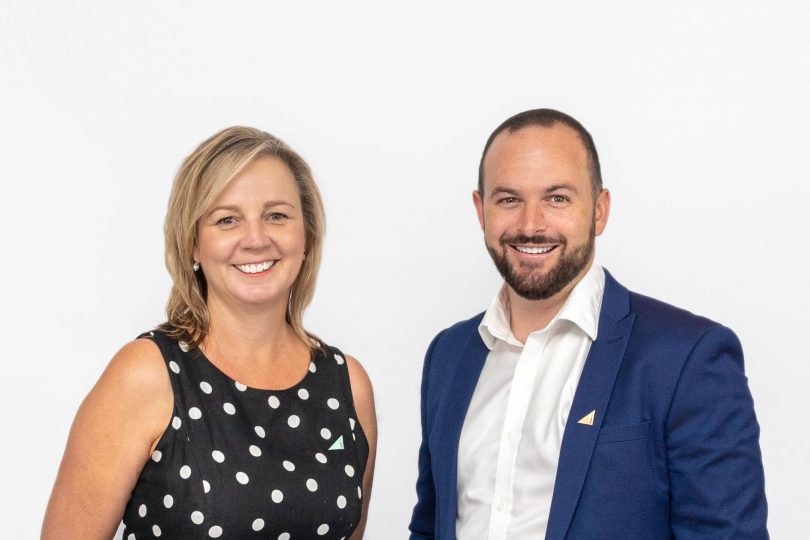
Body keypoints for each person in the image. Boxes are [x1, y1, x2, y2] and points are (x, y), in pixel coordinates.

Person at [409, 109, 767, 539]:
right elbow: (430, 527)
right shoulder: (449, 356)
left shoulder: (686, 358)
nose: (530, 224)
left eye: (557, 198)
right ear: (480, 210)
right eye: (508, 199)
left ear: (599, 211)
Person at [42, 127, 377, 539]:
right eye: (227, 220)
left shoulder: (347, 385)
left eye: (277, 215)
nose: (255, 239)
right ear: (194, 245)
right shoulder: (146, 376)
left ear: (306, 235)